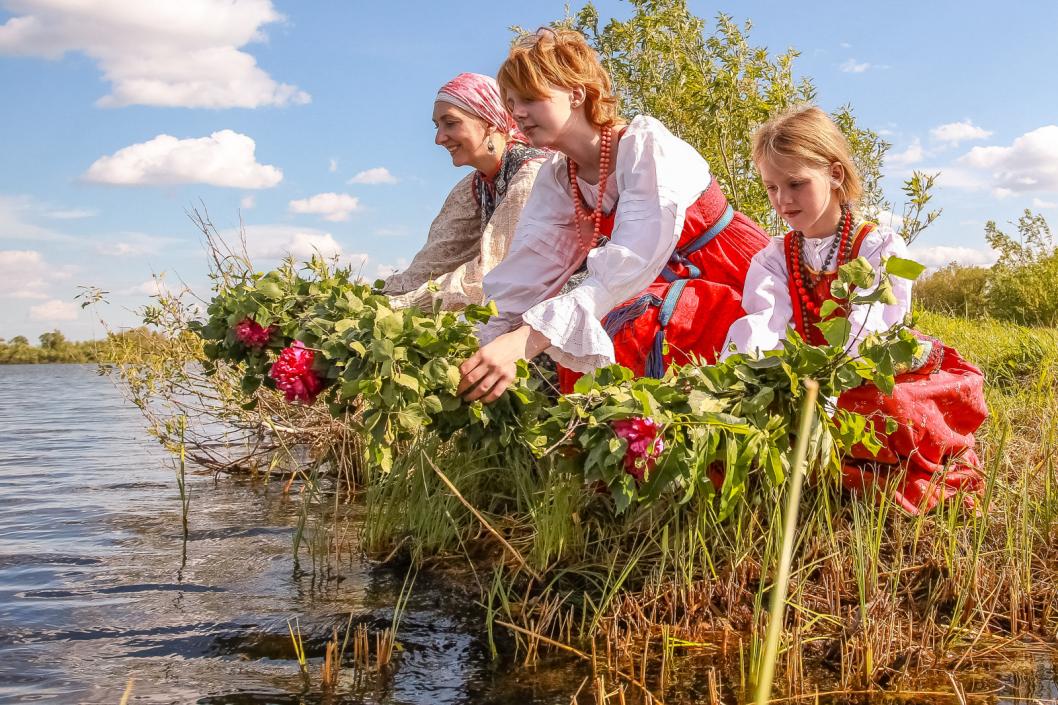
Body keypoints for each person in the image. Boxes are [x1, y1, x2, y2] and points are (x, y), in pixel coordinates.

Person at [457, 29, 770, 402]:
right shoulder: (559, 176)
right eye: (511, 103)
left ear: (576, 93)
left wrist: (524, 341)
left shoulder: (646, 148)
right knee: (591, 334)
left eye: (530, 98)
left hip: (731, 276)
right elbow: (525, 273)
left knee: (625, 323)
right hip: (652, 284)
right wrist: (473, 342)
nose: (518, 114)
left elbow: (628, 264)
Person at [723, 105, 987, 513]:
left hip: (868, 366)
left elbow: (872, 327)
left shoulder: (877, 245)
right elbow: (763, 323)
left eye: (795, 183)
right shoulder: (774, 256)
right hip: (810, 374)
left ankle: (881, 467)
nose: (782, 200)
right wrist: (755, 378)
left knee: (888, 404)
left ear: (835, 174)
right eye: (771, 188)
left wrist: (831, 385)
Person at [383, 73, 547, 310]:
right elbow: (433, 261)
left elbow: (490, 275)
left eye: (450, 123)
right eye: (437, 126)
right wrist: (378, 300)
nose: (439, 138)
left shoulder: (530, 174)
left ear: (490, 122)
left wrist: (400, 306)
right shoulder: (475, 185)